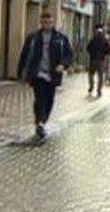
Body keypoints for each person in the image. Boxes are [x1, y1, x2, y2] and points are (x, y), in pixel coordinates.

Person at [17, 10, 74, 139]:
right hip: (38, 73)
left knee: (49, 99)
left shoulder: (60, 38)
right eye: (44, 21)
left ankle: (43, 120)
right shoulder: (33, 38)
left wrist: (63, 65)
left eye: (49, 21)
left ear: (53, 22)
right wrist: (21, 74)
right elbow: (24, 55)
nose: (47, 23)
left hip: (53, 74)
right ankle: (40, 122)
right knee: (40, 97)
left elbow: (69, 55)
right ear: (41, 22)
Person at [86, 26, 110, 97]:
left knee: (91, 74)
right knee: (100, 76)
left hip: (93, 60)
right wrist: (103, 54)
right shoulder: (105, 41)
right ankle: (99, 90)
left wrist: (92, 54)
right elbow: (108, 51)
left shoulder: (93, 40)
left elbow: (88, 48)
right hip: (100, 60)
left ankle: (91, 86)